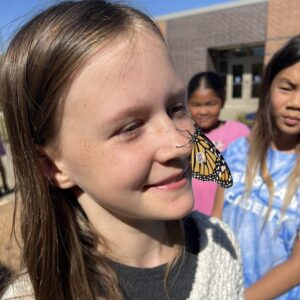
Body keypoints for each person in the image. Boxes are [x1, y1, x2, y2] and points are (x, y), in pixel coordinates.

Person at [0, 1, 244, 299]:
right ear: (53, 166)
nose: (179, 143)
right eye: (130, 127)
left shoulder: (220, 244)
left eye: (175, 108)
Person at [212, 35, 300, 300]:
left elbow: (297, 265)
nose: (296, 102)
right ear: (268, 87)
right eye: (287, 87)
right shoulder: (237, 151)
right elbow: (217, 218)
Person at [187, 71, 250, 215]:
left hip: (225, 221)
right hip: (188, 221)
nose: (203, 111)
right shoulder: (184, 133)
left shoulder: (238, 133)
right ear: (188, 104)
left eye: (211, 104)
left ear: (223, 101)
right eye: (196, 105)